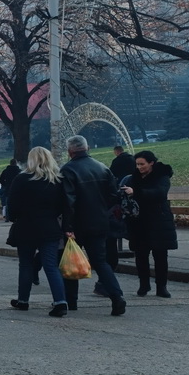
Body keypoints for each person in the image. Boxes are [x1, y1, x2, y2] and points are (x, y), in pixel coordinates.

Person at [61, 135, 126, 316]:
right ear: (87, 147)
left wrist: (67, 226)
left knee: (71, 261)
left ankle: (71, 301)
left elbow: (68, 201)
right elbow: (114, 195)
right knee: (100, 261)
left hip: (77, 224)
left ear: (70, 151)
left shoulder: (68, 170)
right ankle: (116, 295)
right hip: (99, 221)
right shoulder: (102, 167)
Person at [6, 147, 69, 317]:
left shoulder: (21, 179)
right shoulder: (56, 180)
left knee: (26, 264)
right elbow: (63, 206)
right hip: (49, 226)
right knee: (51, 265)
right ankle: (60, 301)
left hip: (26, 227)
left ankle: (23, 300)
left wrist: (15, 217)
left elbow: (11, 205)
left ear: (31, 160)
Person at [121, 150, 178, 298]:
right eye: (137, 164)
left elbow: (159, 193)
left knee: (160, 255)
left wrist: (136, 192)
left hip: (158, 220)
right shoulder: (134, 177)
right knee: (141, 255)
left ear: (151, 163)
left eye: (142, 164)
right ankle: (144, 284)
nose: (139, 167)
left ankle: (161, 286)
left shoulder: (162, 175)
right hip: (139, 221)